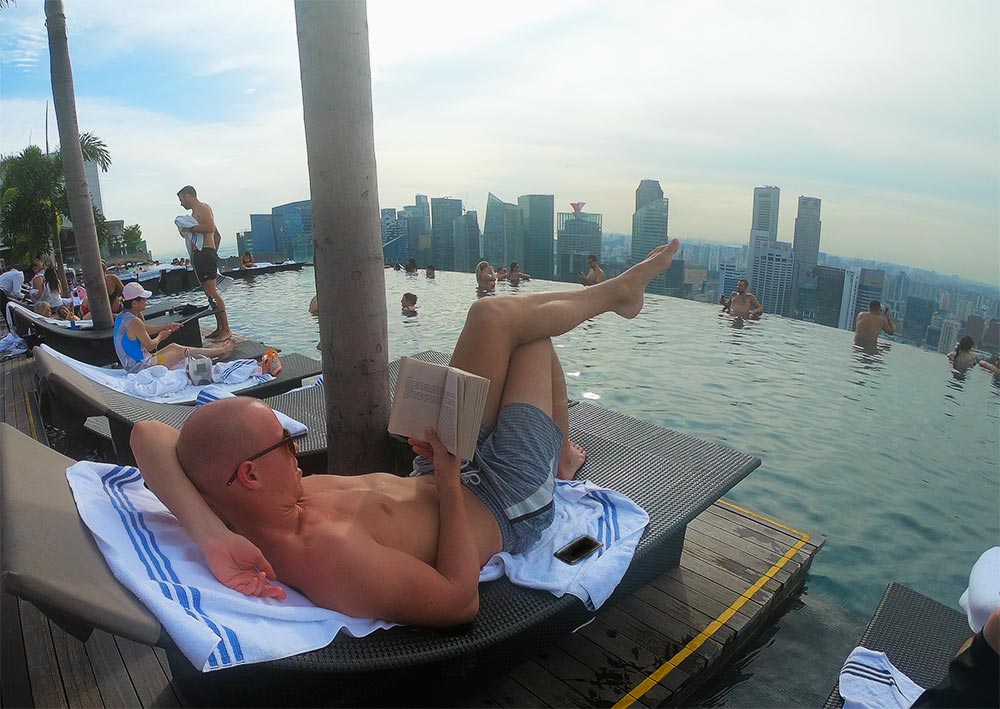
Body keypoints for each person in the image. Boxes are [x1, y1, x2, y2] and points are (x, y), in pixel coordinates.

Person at [129, 238, 682, 625]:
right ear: (248, 473)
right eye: (285, 443)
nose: (298, 451)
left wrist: (209, 535)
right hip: (503, 501)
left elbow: (149, 436)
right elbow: (458, 602)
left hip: (440, 464)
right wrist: (446, 477)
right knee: (531, 340)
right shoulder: (323, 554)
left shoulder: (230, 501)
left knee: (491, 316)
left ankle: (594, 355)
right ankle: (611, 311)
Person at [114, 282, 235, 373]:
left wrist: (166, 326)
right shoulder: (135, 321)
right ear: (134, 303)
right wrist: (161, 337)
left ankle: (217, 352)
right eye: (143, 299)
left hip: (136, 363)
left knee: (174, 346)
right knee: (180, 352)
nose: (146, 301)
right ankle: (221, 351)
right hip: (142, 367)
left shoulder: (122, 317)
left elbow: (143, 330)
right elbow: (150, 346)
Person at [177, 185, 232, 342]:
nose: (181, 203)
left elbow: (210, 228)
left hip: (205, 254)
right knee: (208, 293)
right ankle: (219, 327)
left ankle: (226, 329)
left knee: (212, 291)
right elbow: (218, 236)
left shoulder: (203, 208)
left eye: (181, 199)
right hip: (201, 255)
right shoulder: (195, 213)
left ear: (188, 196)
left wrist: (191, 229)